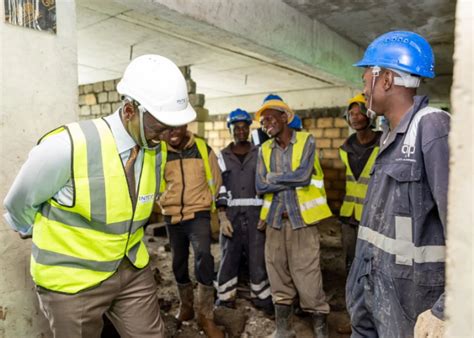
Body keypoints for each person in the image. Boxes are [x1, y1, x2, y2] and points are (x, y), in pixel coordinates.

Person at [3, 54, 197, 337]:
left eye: (171, 128)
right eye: (160, 127)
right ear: (130, 110)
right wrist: (42, 230)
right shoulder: (67, 145)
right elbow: (18, 204)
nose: (168, 136)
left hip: (130, 267)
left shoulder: (155, 148)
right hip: (73, 281)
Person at [345, 31, 450, 338]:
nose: (364, 86)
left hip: (410, 299)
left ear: (386, 79)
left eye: (366, 75)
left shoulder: (432, 128)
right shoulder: (389, 137)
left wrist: (447, 308)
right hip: (372, 288)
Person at [255, 95, 332, 338]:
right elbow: (260, 186)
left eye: (270, 118)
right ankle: (283, 330)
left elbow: (304, 177)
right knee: (278, 276)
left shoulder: (306, 140)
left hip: (302, 222)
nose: (266, 123)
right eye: (263, 121)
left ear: (284, 117)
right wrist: (279, 180)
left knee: (308, 278)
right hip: (275, 222)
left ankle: (321, 332)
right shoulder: (264, 149)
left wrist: (274, 178)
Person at [158, 122, 224, 338]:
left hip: (198, 213)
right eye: (167, 129)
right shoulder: (160, 152)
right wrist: (162, 202)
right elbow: (152, 182)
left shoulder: (202, 149)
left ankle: (206, 315)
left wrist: (214, 208)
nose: (172, 133)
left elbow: (216, 179)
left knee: (204, 256)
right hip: (172, 215)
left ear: (185, 125)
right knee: (177, 261)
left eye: (176, 128)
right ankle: (186, 307)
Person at [215, 108, 273, 314]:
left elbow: (268, 185)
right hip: (231, 215)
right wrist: (222, 216)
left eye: (244, 127)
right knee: (228, 255)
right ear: (229, 129)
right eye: (236, 127)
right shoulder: (222, 156)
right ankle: (225, 297)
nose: (240, 131)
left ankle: (262, 297)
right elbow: (219, 185)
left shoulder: (261, 153)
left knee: (258, 256)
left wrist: (266, 214)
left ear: (249, 129)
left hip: (255, 213)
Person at [339, 93, 382, 273]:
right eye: (351, 114)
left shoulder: (384, 144)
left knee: (373, 261)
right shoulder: (344, 148)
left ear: (370, 115)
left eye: (359, 112)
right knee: (351, 261)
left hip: (374, 215)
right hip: (349, 216)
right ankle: (352, 297)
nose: (355, 117)